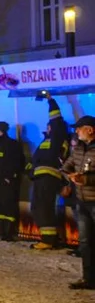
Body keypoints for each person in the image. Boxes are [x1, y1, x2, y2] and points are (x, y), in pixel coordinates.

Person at [30, 93, 70, 249]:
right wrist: (30, 171)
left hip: (50, 177)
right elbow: (35, 160)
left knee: (44, 207)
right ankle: (46, 237)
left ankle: (49, 241)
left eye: (49, 125)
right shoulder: (45, 141)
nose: (47, 127)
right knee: (37, 207)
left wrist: (50, 100)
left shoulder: (58, 137)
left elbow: (56, 119)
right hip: (40, 177)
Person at [62, 116, 95, 290]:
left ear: (90, 130)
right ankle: (88, 279)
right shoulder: (78, 149)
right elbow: (66, 167)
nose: (76, 131)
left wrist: (86, 179)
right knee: (85, 242)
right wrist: (71, 176)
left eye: (79, 128)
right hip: (82, 201)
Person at [0, 121, 25, 241]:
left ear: (0, 129)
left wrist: (10, 176)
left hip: (6, 181)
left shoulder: (11, 144)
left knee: (8, 205)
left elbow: (18, 161)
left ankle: (9, 232)